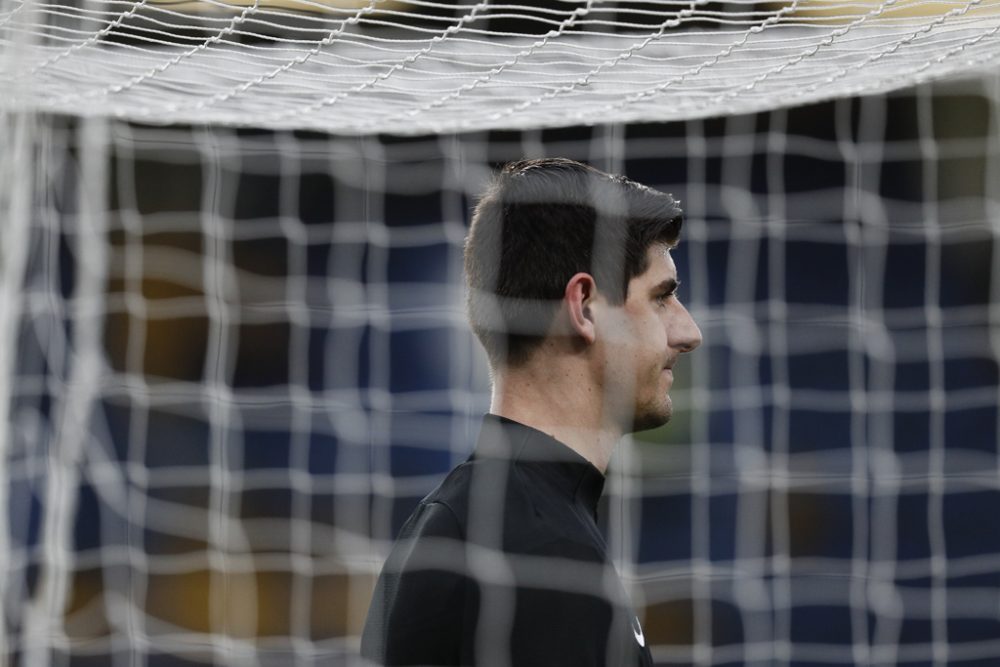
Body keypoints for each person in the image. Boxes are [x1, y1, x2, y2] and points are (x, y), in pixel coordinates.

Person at [360, 158, 702, 666]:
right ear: (584, 305)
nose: (689, 332)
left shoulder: (480, 519)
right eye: (662, 298)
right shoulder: (538, 551)